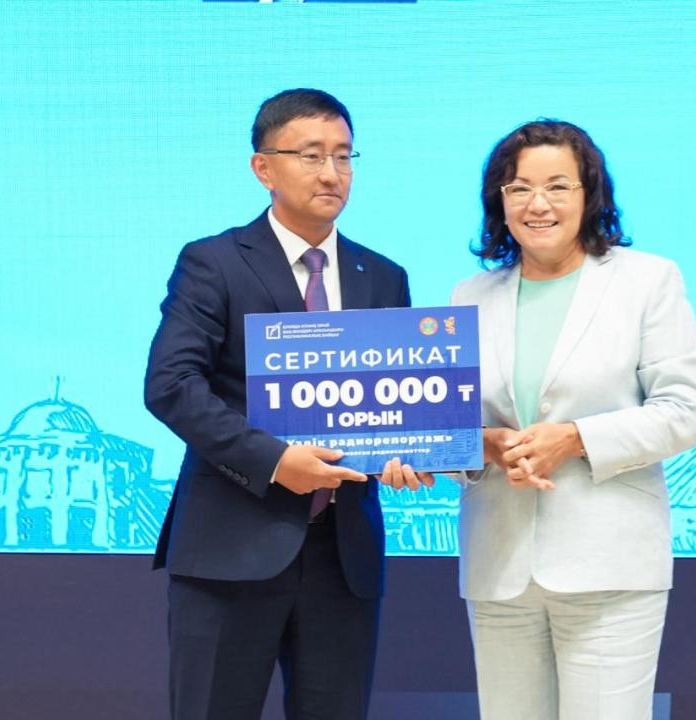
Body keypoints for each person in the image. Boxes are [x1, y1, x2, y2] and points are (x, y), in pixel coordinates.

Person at [144, 88, 419, 720]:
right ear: (263, 167)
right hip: (230, 547)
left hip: (343, 557)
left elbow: (393, 406)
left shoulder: (384, 276)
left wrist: (409, 452)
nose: (331, 173)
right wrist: (274, 461)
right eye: (311, 155)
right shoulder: (214, 262)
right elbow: (171, 385)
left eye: (344, 156)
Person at [449, 120, 696, 719]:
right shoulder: (470, 295)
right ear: (499, 202)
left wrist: (574, 439)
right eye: (519, 188)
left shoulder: (647, 281)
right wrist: (485, 446)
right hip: (499, 567)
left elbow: (684, 412)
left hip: (610, 566)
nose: (537, 204)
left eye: (558, 186)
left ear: (590, 195)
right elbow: (452, 428)